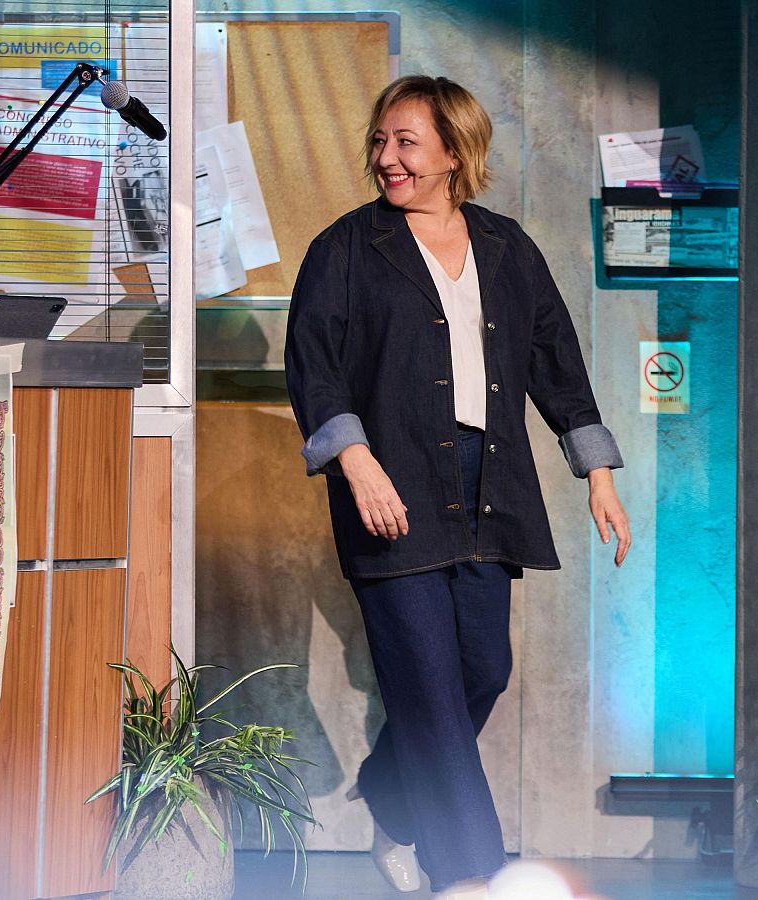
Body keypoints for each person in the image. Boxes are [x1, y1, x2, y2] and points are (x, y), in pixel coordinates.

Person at [285, 75, 631, 899]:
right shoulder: (344, 249)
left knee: (482, 673)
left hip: (489, 488)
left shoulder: (508, 248)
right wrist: (356, 463)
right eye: (380, 141)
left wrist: (600, 475)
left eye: (406, 142)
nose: (387, 158)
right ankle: (471, 873)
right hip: (390, 485)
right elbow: (314, 366)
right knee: (433, 699)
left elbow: (557, 364)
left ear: (453, 151)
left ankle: (389, 798)